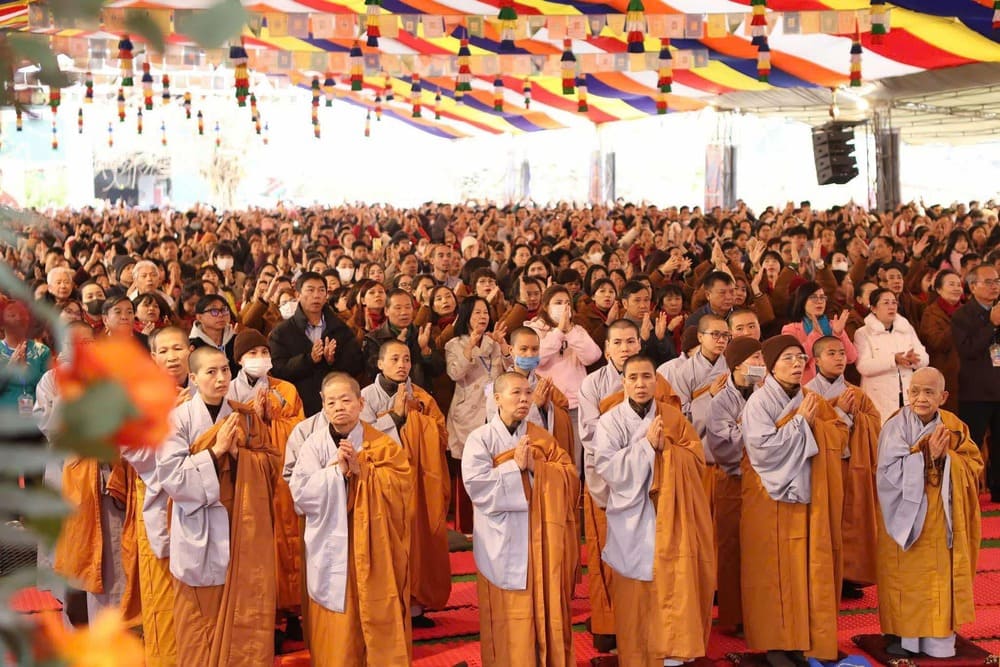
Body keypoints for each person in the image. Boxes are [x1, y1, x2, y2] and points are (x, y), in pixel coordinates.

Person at [156, 347, 281, 665]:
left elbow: (272, 466)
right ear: (193, 377)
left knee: (245, 613)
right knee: (199, 627)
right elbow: (172, 477)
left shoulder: (246, 416)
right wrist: (215, 452)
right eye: (211, 372)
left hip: (242, 524)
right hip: (198, 525)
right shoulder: (177, 420)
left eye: (225, 370)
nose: (221, 377)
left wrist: (240, 456)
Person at [593, 355, 715, 665]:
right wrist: (646, 446)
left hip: (672, 514)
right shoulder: (610, 421)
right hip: (632, 515)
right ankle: (637, 655)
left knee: (671, 583)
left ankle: (671, 655)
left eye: (647, 377)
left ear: (656, 381)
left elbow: (696, 460)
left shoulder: (673, 417)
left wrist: (667, 451)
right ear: (624, 382)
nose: (640, 384)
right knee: (635, 590)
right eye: (633, 377)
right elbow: (608, 468)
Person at [289, 372, 413, 666]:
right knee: (337, 614)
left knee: (376, 606)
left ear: (360, 403)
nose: (339, 407)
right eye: (331, 402)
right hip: (331, 543)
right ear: (323, 404)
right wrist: (337, 473)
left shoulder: (383, 443)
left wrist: (363, 471)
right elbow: (300, 494)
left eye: (346, 400)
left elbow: (403, 489)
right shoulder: (313, 445)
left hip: (373, 544)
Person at [741, 334, 848, 667]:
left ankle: (801, 640)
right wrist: (800, 422)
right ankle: (775, 645)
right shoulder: (758, 403)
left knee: (803, 568)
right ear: (771, 367)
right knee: (772, 569)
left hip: (804, 495)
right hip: (768, 497)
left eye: (800, 358)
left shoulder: (811, 398)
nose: (796, 364)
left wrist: (824, 424)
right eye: (788, 358)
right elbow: (763, 449)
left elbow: (837, 434)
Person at [463, 372, 580, 667]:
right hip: (501, 537)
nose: (524, 399)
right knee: (507, 611)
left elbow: (569, 476)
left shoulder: (542, 438)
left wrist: (537, 469)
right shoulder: (481, 439)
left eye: (528, 393)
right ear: (497, 399)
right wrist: (514, 468)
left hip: (541, 536)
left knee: (544, 600)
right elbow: (476, 485)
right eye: (516, 393)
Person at [576, 318, 679, 653]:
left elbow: (675, 426)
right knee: (608, 555)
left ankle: (651, 623)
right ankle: (608, 621)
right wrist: (640, 443)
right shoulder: (592, 384)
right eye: (617, 343)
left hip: (654, 487)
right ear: (606, 348)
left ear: (640, 343)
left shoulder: (657, 381)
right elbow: (591, 436)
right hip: (607, 482)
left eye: (631, 342)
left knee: (651, 556)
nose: (625, 349)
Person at [876, 368, 982, 658]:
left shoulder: (954, 426)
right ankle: (902, 635)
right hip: (905, 516)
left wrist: (947, 458)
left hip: (943, 516)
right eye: (914, 391)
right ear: (906, 393)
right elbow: (885, 473)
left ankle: (938, 638)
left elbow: (974, 464)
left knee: (938, 578)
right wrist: (925, 457)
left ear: (943, 397)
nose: (920, 398)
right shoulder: (895, 427)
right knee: (905, 578)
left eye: (929, 392)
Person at [359, 339, 451, 626]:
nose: (402, 365)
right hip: (380, 481)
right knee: (385, 543)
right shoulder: (364, 398)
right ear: (380, 363)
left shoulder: (422, 397)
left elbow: (441, 435)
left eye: (407, 359)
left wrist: (417, 423)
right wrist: (397, 417)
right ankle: (386, 608)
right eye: (395, 359)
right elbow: (361, 437)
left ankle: (414, 605)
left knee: (417, 540)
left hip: (417, 480)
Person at [226, 329, 306, 644]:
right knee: (257, 548)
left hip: (281, 479)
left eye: (264, 352)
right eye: (252, 353)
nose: (259, 358)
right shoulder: (228, 391)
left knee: (288, 543)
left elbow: (299, 430)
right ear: (239, 360)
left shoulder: (285, 389)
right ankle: (265, 622)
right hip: (248, 479)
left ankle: (293, 612)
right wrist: (253, 419)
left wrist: (272, 421)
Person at [805, 336, 882, 598]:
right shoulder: (807, 393)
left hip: (851, 463)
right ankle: (823, 576)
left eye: (841, 353)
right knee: (824, 521)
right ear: (816, 360)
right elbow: (805, 428)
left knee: (851, 520)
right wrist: (839, 412)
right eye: (831, 353)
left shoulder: (856, 392)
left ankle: (849, 577)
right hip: (821, 466)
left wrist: (855, 415)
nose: (839, 358)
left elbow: (874, 424)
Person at [705, 335, 765, 634]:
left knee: (760, 549)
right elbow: (723, 445)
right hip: (732, 479)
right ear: (738, 364)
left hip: (763, 483)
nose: (761, 364)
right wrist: (757, 429)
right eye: (756, 359)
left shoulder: (764, 393)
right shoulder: (721, 401)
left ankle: (759, 614)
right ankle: (733, 617)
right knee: (731, 549)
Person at [526, 285, 602, 472]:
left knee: (573, 463)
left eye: (567, 303)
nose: (564, 307)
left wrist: (569, 331)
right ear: (546, 306)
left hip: (575, 406)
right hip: (547, 405)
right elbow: (536, 358)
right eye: (558, 303)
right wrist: (558, 332)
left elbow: (592, 356)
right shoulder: (533, 329)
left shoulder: (577, 330)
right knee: (549, 460)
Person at [269, 272, 364, 417]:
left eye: (321, 290)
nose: (316, 295)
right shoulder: (282, 332)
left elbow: (356, 366)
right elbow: (278, 371)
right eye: (310, 290)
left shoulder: (340, 328)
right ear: (298, 294)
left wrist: (333, 361)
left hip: (336, 406)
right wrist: (309, 359)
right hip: (298, 407)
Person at [951, 265, 1000, 500]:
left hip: (999, 388)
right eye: (988, 282)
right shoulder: (962, 315)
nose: (995, 286)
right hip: (975, 392)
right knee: (972, 444)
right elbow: (967, 350)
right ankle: (966, 493)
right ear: (972, 286)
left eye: (997, 281)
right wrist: (991, 324)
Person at [484, 327, 574, 454]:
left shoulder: (545, 386)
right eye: (524, 349)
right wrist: (533, 406)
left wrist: (547, 407)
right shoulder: (498, 387)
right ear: (511, 350)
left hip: (542, 454)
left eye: (535, 349)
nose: (530, 354)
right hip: (509, 455)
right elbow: (495, 429)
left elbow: (563, 417)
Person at [854, 288, 929, 424]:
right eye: (886, 303)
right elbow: (863, 366)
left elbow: (925, 358)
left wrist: (913, 360)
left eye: (894, 302)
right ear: (873, 308)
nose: (891, 306)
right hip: (879, 396)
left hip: (907, 393)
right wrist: (893, 360)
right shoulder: (863, 333)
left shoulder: (906, 328)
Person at [361, 288, 442, 387]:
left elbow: (437, 371)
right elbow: (373, 373)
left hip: (420, 392)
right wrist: (395, 346)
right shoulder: (373, 338)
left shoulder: (422, 333)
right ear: (386, 311)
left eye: (408, 307)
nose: (404, 312)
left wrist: (425, 350)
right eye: (398, 308)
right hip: (389, 393)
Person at [781, 282, 856, 384]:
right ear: (803, 301)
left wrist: (839, 334)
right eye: (814, 298)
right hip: (807, 387)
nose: (819, 301)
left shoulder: (834, 325)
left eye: (822, 297)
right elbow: (794, 361)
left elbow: (851, 358)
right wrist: (814, 336)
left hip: (835, 386)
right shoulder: (791, 329)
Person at [918, 270, 963, 413]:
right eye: (951, 284)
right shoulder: (931, 312)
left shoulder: (966, 311)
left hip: (968, 377)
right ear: (938, 289)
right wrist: (957, 322)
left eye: (959, 285)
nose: (956, 288)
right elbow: (936, 343)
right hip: (945, 375)